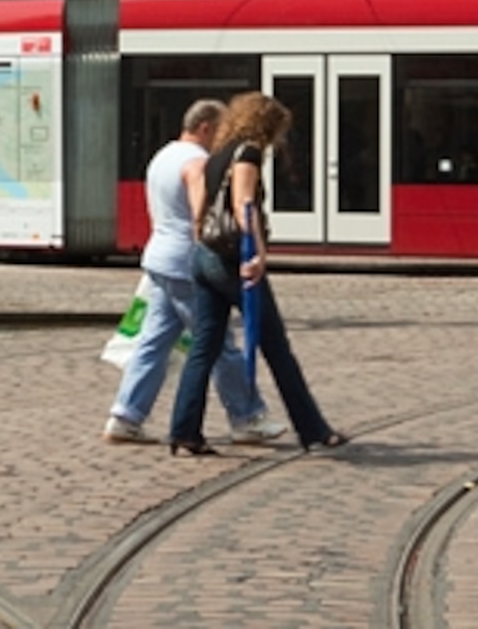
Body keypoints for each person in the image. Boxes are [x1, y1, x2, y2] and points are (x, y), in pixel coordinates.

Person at [170, 91, 345, 456]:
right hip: (233, 260)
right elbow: (243, 205)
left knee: (204, 347)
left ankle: (184, 431)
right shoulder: (247, 152)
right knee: (277, 349)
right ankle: (313, 430)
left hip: (205, 256)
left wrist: (201, 236)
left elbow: (201, 207)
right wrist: (260, 255)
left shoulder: (217, 153)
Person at [105, 99, 273, 445]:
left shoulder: (163, 155)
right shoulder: (196, 162)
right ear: (206, 128)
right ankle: (247, 416)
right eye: (220, 131)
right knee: (218, 341)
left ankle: (126, 415)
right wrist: (209, 254)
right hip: (183, 261)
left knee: (155, 341)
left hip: (159, 257)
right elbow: (201, 213)